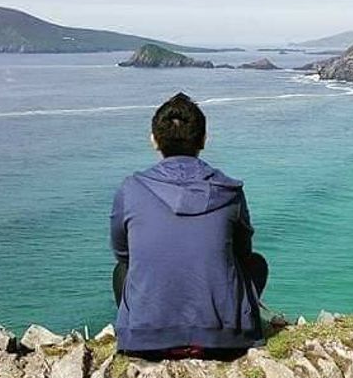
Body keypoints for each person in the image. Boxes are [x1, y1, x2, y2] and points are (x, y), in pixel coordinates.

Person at [109, 92, 267, 361]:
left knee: (121, 270)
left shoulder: (131, 189)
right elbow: (243, 254)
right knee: (257, 263)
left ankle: (145, 326)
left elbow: (123, 254)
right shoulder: (229, 190)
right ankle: (235, 322)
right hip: (224, 342)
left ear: (154, 140)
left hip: (145, 342)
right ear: (204, 140)